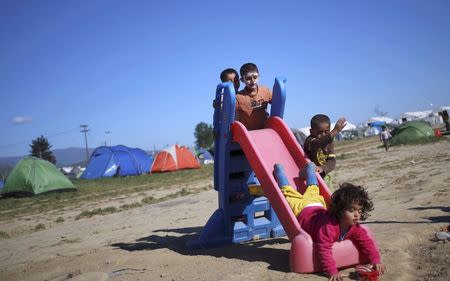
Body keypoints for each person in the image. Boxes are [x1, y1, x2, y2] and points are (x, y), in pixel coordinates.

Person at [273, 163, 385, 280]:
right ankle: (279, 172)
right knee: (289, 194)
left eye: (359, 210)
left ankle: (310, 171)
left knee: (313, 188)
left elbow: (366, 241)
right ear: (340, 210)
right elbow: (324, 251)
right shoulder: (328, 228)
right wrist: (332, 271)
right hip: (303, 210)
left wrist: (376, 260)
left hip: (317, 204)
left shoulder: (355, 227)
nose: (357, 215)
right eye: (351, 210)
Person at [303, 114, 347, 189]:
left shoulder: (329, 143)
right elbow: (317, 143)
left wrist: (323, 168)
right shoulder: (310, 141)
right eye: (319, 132)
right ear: (311, 131)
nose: (323, 135)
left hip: (324, 177)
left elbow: (332, 161)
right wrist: (334, 131)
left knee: (329, 196)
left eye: (326, 132)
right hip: (309, 177)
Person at [235, 62, 272, 130]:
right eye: (248, 78)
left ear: (259, 76)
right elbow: (227, 112)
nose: (252, 80)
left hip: (265, 131)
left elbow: (277, 104)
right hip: (249, 135)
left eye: (255, 77)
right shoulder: (238, 97)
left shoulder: (266, 91)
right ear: (242, 80)